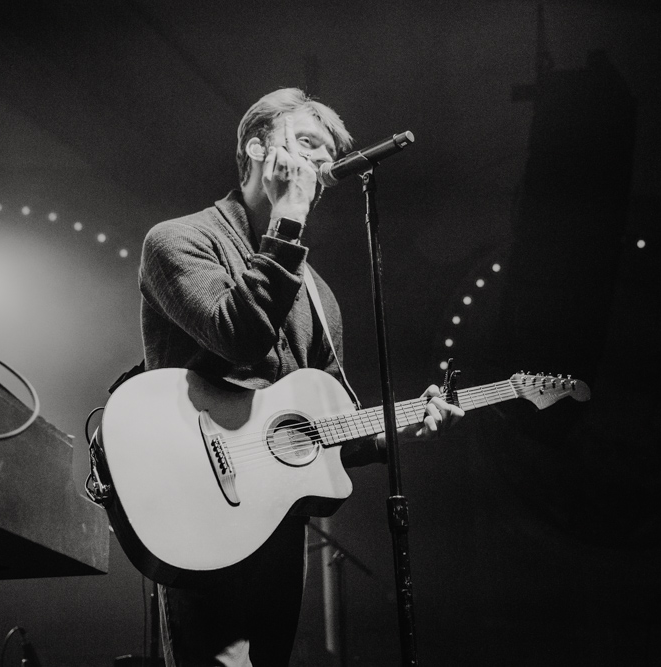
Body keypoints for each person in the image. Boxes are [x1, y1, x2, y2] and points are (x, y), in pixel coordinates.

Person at [138, 88, 463, 667]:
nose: (319, 164)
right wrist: (287, 218)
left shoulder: (317, 293)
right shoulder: (178, 240)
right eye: (308, 144)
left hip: (277, 523)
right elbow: (236, 335)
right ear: (256, 145)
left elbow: (321, 423)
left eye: (327, 155)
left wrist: (394, 430)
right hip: (199, 506)